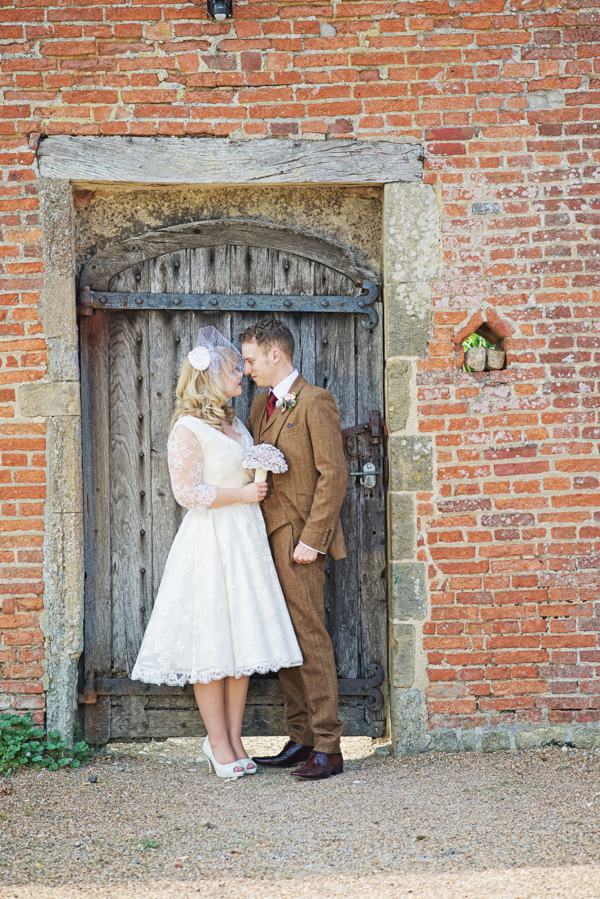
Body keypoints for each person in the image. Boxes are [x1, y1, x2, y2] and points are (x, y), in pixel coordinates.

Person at [131, 326, 302, 779]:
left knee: (240, 643)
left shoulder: (237, 421)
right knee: (211, 643)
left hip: (245, 540)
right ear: (208, 377)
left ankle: (233, 738)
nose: (241, 375)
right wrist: (244, 495)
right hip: (211, 540)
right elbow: (187, 492)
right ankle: (216, 741)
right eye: (233, 369)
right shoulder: (187, 428)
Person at [240, 318, 348, 781]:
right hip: (262, 535)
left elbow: (333, 474)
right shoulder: (260, 403)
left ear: (275, 355)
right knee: (282, 637)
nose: (246, 370)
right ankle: (301, 738)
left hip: (299, 537)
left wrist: (312, 539)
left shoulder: (315, 401)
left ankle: (328, 746)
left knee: (309, 636)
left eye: (250, 360)